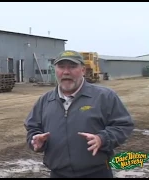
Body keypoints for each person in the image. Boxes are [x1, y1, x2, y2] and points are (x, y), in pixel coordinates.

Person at [24, 50, 134, 178]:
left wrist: (102, 138)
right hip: (58, 174)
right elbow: (32, 128)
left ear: (83, 70)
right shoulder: (45, 100)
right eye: (61, 67)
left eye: (72, 67)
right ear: (56, 70)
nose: (66, 72)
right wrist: (36, 140)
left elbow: (123, 125)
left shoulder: (104, 96)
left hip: (97, 173)